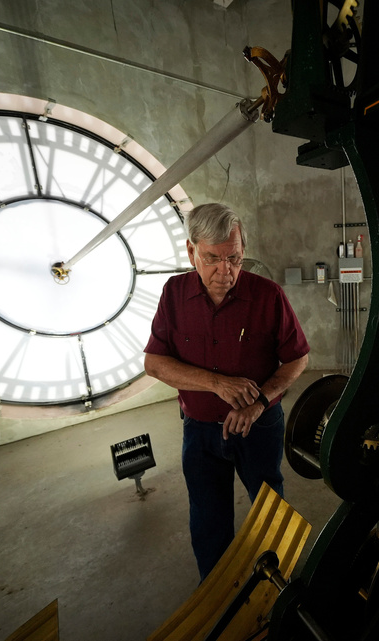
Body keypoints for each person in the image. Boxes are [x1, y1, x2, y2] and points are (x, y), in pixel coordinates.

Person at [143, 203, 310, 580]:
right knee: (207, 518)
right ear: (191, 251)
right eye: (212, 259)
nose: (225, 271)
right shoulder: (173, 294)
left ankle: (278, 587)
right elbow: (154, 363)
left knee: (270, 508)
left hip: (258, 427)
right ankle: (215, 592)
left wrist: (259, 403)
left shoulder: (268, 296)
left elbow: (297, 359)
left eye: (234, 258)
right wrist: (216, 383)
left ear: (243, 250)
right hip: (200, 431)